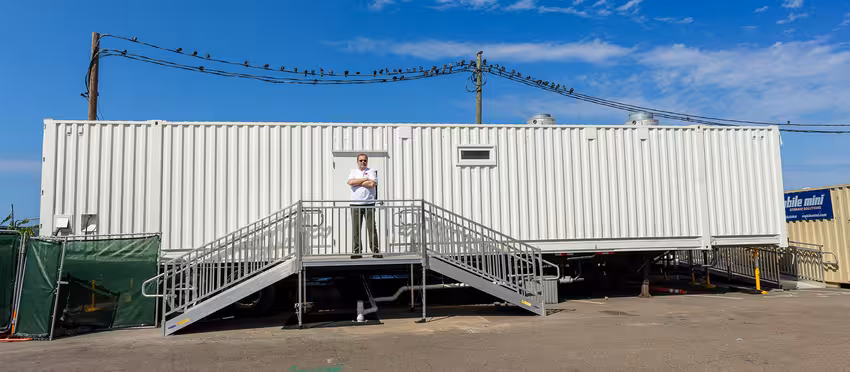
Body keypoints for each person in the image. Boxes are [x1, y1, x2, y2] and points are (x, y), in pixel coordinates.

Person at [347, 154, 380, 258]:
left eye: (365, 160)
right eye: (361, 160)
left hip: (369, 203)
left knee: (371, 229)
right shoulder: (353, 172)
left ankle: (375, 251)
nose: (363, 162)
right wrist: (365, 179)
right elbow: (350, 182)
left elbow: (372, 184)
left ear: (367, 161)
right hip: (355, 204)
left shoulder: (372, 171)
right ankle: (357, 252)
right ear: (357, 161)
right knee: (356, 229)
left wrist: (358, 182)